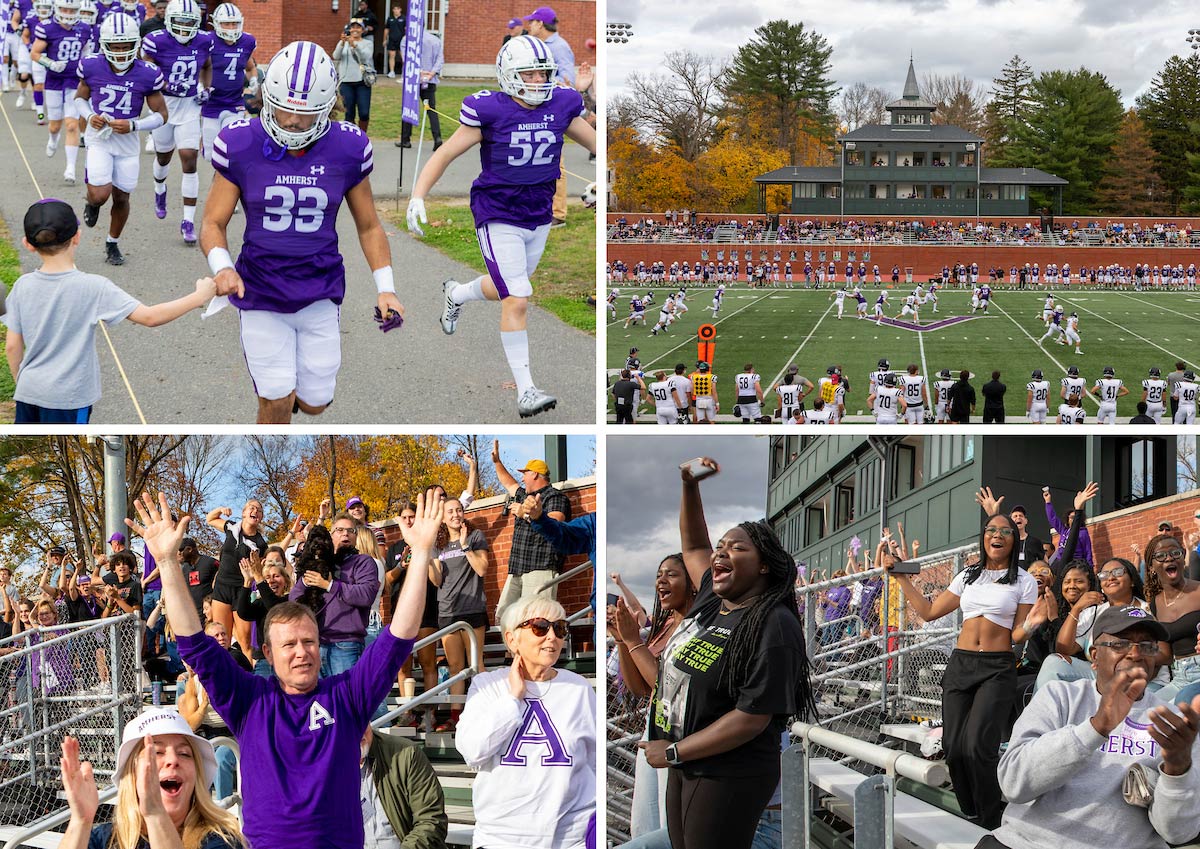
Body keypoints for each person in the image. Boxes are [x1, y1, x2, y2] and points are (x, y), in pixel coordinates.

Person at [133, 487, 442, 849]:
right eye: (289, 645)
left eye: (309, 642)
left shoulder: (347, 696)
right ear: (268, 651)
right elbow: (195, 644)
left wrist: (420, 553)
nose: (302, 653)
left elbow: (399, 637)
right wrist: (168, 563)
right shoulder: (249, 700)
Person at [200, 40, 405, 424]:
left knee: (315, 403)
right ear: (267, 97)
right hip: (260, 288)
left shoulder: (348, 146)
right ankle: (274, 398)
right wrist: (222, 266)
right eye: (285, 110)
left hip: (320, 288)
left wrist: (386, 287)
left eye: (305, 114)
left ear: (327, 107)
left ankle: (292, 394)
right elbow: (213, 222)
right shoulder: (241, 141)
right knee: (276, 401)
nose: (293, 122)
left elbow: (369, 224)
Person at [406, 34, 595, 419]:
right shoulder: (490, 110)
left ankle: (457, 293)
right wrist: (418, 195)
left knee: (508, 286)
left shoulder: (562, 104)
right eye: (530, 74)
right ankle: (526, 390)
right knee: (518, 297)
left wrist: (605, 178)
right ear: (509, 75)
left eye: (544, 74)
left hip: (538, 214)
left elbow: (600, 142)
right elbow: (444, 153)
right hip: (497, 213)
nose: (540, 82)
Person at [639, 457, 812, 849]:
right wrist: (687, 483)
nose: (720, 554)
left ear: (764, 565)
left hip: (729, 771)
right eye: (720, 548)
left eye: (737, 548)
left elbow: (751, 718)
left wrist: (674, 751)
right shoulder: (712, 602)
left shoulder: (774, 623)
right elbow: (695, 544)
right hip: (688, 763)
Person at [982, 606, 1200, 849]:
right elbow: (1013, 784)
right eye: (1120, 644)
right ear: (1095, 657)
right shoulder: (1059, 697)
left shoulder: (1174, 724)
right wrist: (1096, 727)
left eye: (1147, 645)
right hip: (1027, 843)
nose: (1135, 653)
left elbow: (1178, 833)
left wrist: (1177, 770)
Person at [886, 503, 1043, 830]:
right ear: (983, 538)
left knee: (977, 746)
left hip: (997, 667)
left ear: (1014, 541)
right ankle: (972, 811)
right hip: (961, 664)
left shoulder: (1024, 581)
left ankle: (992, 821)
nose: (997, 535)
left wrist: (1030, 626)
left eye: (1005, 531)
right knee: (953, 748)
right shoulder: (968, 575)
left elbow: (1016, 633)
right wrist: (902, 581)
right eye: (991, 530)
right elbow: (929, 612)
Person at [3, 198, 214, 423]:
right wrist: (198, 297)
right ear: (77, 236)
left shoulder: (22, 285)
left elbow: (12, 346)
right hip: (69, 399)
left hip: (29, 392)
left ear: (28, 244)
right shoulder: (95, 286)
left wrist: (21, 384)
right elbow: (150, 317)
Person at [456, 596, 595, 849]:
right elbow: (472, 751)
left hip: (569, 839)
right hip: (502, 839)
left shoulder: (579, 688)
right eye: (540, 627)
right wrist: (512, 698)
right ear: (512, 639)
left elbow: (594, 763)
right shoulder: (488, 686)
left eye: (560, 628)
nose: (552, 636)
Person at [59, 709, 245, 849]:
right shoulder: (105, 838)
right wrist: (80, 821)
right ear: (132, 774)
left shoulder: (221, 839)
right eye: (156, 752)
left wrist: (156, 815)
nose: (173, 760)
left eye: (184, 754)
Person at [74, 10, 168, 265]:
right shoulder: (92, 65)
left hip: (127, 143)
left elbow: (161, 115)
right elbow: (80, 99)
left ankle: (112, 242)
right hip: (99, 138)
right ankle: (92, 203)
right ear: (104, 45)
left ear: (135, 44)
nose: (120, 51)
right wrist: (90, 115)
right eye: (114, 46)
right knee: (100, 194)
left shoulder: (148, 72)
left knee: (122, 196)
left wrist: (134, 125)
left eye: (125, 46)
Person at [140, 0, 213, 244]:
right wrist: (168, 84)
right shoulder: (156, 40)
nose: (184, 27)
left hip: (190, 106)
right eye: (179, 21)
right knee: (163, 156)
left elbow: (207, 65)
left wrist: (205, 87)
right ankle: (159, 187)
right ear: (169, 20)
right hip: (164, 105)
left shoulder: (204, 40)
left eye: (189, 22)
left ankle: (188, 221)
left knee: (189, 159)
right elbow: (146, 71)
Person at [289, 511, 382, 677]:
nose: (345, 534)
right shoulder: (319, 563)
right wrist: (306, 580)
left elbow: (366, 595)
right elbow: (294, 599)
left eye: (351, 531)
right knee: (319, 702)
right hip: (315, 644)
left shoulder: (363, 562)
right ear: (331, 536)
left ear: (356, 536)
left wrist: (329, 585)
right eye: (340, 530)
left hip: (345, 645)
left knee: (347, 700)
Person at [428, 497, 489, 732]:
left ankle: (486, 710)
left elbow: (482, 569)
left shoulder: (475, 536)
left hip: (472, 608)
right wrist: (427, 560)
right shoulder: (439, 543)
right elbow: (436, 580)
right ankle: (457, 716)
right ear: (443, 517)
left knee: (477, 664)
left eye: (458, 510)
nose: (455, 514)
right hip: (447, 611)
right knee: (455, 667)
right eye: (450, 511)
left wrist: (465, 546)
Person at [491, 443, 571, 620]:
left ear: (534, 474)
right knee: (504, 618)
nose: (522, 478)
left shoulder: (554, 496)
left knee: (535, 619)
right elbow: (508, 482)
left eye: (525, 474)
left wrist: (525, 514)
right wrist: (497, 462)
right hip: (517, 569)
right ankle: (511, 649)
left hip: (540, 568)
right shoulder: (522, 496)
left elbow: (554, 523)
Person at [520, 6, 573, 227]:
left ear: (540, 24)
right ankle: (536, 206)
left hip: (550, 110)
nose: (529, 25)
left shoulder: (558, 47)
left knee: (554, 162)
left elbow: (567, 78)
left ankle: (558, 213)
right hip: (534, 108)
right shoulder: (537, 45)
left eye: (532, 22)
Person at [358, 724, 449, 849]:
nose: (359, 732)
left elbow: (431, 820)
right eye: (349, 726)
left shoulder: (406, 753)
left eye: (362, 721)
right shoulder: (326, 768)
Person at [29, 0, 88, 184]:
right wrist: (51, 64)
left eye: (72, 10)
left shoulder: (85, 29)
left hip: (74, 79)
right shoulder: (47, 27)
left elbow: (87, 54)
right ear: (57, 8)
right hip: (54, 78)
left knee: (71, 124)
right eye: (65, 9)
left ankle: (70, 169)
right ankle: (53, 138)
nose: (69, 13)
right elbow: (35, 53)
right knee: (55, 124)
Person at [206, 500, 267, 655]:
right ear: (244, 513)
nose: (255, 511)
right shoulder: (232, 527)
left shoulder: (260, 544)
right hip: (222, 588)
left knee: (244, 641)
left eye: (259, 510)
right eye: (252, 508)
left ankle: (248, 676)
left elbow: (261, 569)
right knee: (219, 638)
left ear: (260, 517)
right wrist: (220, 508)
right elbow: (210, 519)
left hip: (242, 590)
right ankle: (223, 676)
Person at [199, 3, 256, 161]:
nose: (231, 28)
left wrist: (254, 81)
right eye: (226, 23)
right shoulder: (207, 40)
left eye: (234, 23)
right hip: (212, 104)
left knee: (231, 149)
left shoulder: (247, 41)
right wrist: (200, 87)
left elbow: (250, 67)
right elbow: (199, 67)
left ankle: (227, 183)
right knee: (210, 155)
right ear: (216, 23)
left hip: (234, 103)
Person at [396, 28, 442, 149]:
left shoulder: (406, 40)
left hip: (413, 80)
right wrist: (431, 73)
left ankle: (405, 138)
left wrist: (419, 72)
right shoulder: (435, 40)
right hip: (429, 79)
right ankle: (437, 137)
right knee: (431, 109)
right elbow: (439, 59)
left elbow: (407, 59)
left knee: (409, 107)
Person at [332, 19, 371, 131]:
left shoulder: (367, 43)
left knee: (364, 113)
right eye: (352, 27)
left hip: (362, 81)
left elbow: (365, 57)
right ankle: (352, 137)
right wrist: (342, 42)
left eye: (358, 27)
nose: (355, 30)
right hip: (346, 82)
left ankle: (363, 135)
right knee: (349, 113)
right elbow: (336, 56)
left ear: (362, 30)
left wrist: (354, 45)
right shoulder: (343, 43)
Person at [383, 2, 402, 76]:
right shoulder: (390, 19)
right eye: (395, 9)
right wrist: (384, 39)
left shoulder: (404, 18)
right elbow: (386, 29)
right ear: (392, 10)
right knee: (391, 55)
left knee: (403, 56)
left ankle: (404, 72)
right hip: (391, 39)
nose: (396, 10)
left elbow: (406, 29)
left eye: (398, 9)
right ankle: (392, 71)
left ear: (400, 10)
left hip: (401, 40)